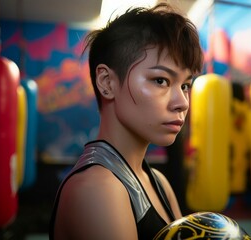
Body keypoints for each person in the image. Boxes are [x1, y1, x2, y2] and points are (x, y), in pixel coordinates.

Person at [49, 2, 203, 239]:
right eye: (161, 80)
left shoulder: (159, 182)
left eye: (185, 85)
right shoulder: (98, 189)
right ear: (107, 82)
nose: (182, 102)